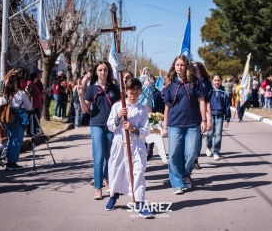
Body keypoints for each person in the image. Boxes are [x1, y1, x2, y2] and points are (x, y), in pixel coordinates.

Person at [105, 78, 153, 218]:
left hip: (135, 147)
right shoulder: (117, 106)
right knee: (116, 172)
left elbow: (146, 130)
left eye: (136, 93)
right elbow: (110, 126)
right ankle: (113, 196)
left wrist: (133, 129)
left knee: (138, 173)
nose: (133, 96)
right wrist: (119, 116)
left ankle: (139, 202)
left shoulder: (142, 110)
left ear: (140, 93)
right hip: (119, 145)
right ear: (125, 91)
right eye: (131, 93)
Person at [162, 55, 206, 194]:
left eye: (182, 65)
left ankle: (186, 175)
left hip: (193, 123)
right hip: (175, 124)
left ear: (186, 66)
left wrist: (204, 120)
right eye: (177, 65)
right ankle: (177, 182)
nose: (180, 67)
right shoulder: (170, 84)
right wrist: (164, 125)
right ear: (174, 67)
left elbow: (202, 101)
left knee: (191, 153)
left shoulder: (195, 82)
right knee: (174, 154)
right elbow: (167, 106)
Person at [77, 60, 120, 200]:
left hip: (111, 125)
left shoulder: (114, 87)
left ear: (108, 71)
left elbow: (119, 106)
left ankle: (107, 179)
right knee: (99, 156)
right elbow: (85, 110)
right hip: (96, 124)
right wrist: (81, 95)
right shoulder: (91, 89)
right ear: (96, 72)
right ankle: (98, 187)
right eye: (100, 70)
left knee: (109, 156)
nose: (103, 72)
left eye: (105, 70)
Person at [1, 75, 32, 171]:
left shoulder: (5, 94)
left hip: (7, 118)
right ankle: (12, 162)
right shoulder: (21, 94)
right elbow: (29, 107)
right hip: (18, 119)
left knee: (11, 139)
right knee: (17, 141)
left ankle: (8, 159)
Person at [206, 74, 231, 160]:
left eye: (218, 80)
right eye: (215, 80)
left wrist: (227, 119)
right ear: (212, 81)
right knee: (209, 133)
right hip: (210, 115)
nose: (216, 82)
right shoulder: (209, 91)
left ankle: (216, 151)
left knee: (218, 134)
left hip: (220, 115)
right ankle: (208, 147)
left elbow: (227, 106)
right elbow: (205, 103)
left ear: (221, 81)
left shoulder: (224, 92)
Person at [193, 62, 212, 170]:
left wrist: (208, 118)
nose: (194, 70)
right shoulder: (188, 81)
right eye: (193, 68)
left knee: (198, 137)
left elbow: (207, 101)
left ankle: (195, 159)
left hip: (201, 112)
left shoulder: (206, 83)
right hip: (190, 112)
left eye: (196, 68)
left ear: (200, 70)